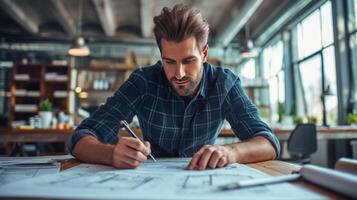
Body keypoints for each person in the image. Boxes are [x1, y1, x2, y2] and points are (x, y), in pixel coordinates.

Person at [68, 4, 280, 170]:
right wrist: (110, 154)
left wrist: (231, 152)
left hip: (204, 182)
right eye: (169, 62)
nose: (178, 74)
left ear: (204, 54)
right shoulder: (143, 82)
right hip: (150, 183)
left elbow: (268, 142)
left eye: (188, 61)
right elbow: (80, 137)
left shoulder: (224, 84)